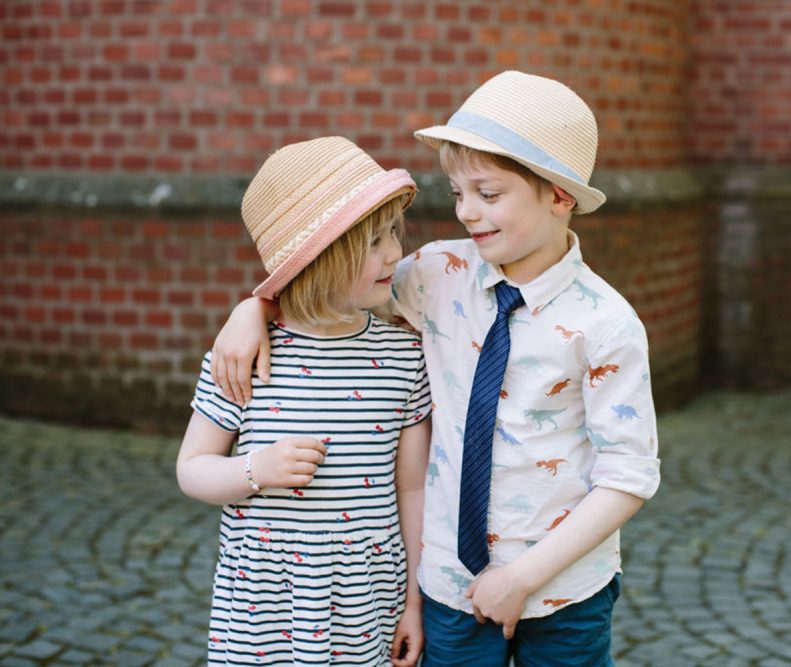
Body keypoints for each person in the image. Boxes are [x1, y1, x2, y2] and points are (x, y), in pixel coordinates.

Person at [211, 71, 661, 666]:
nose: (468, 212)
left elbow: (628, 476)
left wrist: (522, 577)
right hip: (450, 583)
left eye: (489, 194)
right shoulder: (436, 274)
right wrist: (256, 305)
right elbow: (330, 279)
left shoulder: (606, 324)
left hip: (564, 593)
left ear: (559, 195)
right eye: (456, 193)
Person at [176, 136, 432, 667]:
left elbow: (411, 488)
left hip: (367, 602)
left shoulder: (405, 355)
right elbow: (192, 470)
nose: (394, 254)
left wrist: (414, 601)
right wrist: (256, 469)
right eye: (373, 242)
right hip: (264, 605)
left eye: (392, 234)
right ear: (316, 261)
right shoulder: (243, 357)